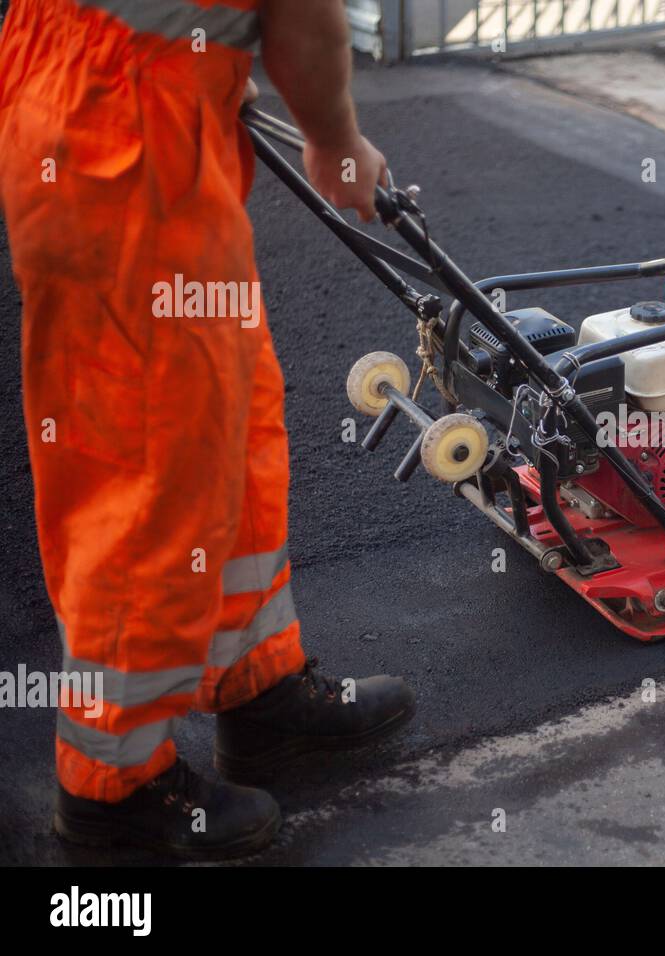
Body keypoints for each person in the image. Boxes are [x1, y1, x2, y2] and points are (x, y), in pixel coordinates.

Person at [0, 0, 413, 860]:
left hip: (116, 95)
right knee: (151, 461)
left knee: (230, 416)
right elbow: (302, 11)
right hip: (122, 125)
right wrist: (335, 140)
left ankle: (254, 687)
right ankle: (112, 790)